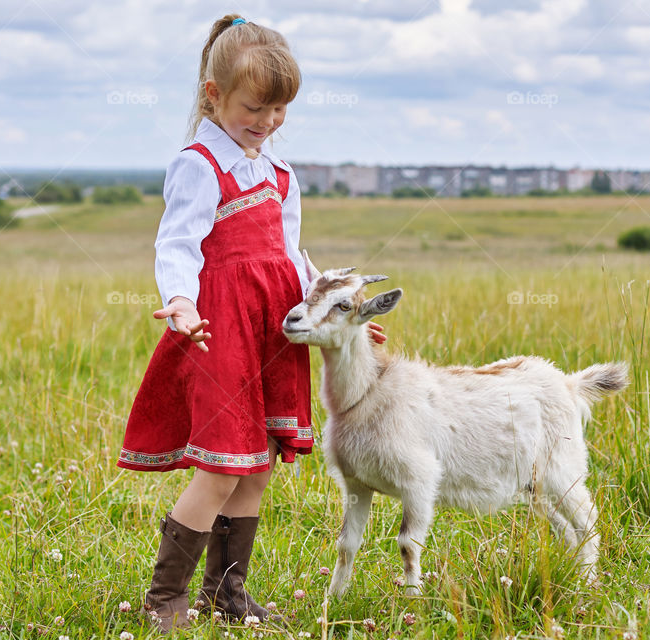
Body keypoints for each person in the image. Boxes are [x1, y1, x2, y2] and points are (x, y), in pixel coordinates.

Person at [116, 14, 384, 633]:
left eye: (279, 111)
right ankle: (165, 600)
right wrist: (180, 301)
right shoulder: (199, 164)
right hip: (221, 328)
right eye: (254, 108)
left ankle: (224, 594)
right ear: (214, 96)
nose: (267, 123)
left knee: (258, 463)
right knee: (221, 465)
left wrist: (338, 320)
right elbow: (177, 243)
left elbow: (295, 260)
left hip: (272, 331)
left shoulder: (279, 176)